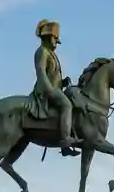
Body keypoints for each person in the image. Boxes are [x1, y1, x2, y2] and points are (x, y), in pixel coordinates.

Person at [32, 19, 79, 155]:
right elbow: (41, 72)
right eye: (55, 39)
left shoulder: (51, 53)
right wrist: (50, 90)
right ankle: (65, 140)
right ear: (48, 37)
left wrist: (62, 82)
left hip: (54, 89)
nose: (56, 43)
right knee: (67, 105)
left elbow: (52, 76)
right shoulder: (42, 52)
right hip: (45, 90)